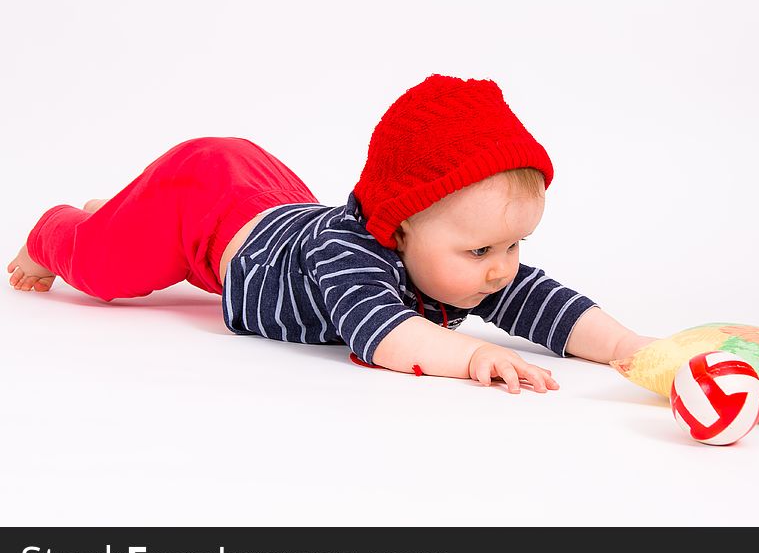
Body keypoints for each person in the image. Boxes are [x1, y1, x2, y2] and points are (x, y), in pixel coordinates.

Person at [7, 73, 657, 394]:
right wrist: (470, 358)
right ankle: (59, 229)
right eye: (482, 249)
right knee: (106, 270)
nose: (501, 268)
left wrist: (629, 346)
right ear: (398, 229)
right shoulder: (346, 252)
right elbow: (380, 331)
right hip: (203, 207)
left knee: (132, 225)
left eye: (515, 245)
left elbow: (545, 304)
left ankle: (120, 209)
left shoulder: (457, 260)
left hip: (267, 199)